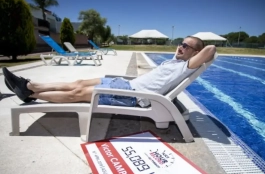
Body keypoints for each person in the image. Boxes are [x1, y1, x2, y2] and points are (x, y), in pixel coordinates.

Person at [3, 36, 216, 107]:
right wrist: (184, 49)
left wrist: (198, 53)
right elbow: (193, 51)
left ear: (195, 53)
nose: (180, 47)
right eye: (180, 43)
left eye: (186, 46)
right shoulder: (175, 61)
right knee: (77, 83)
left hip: (130, 96)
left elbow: (210, 50)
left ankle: (29, 92)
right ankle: (30, 85)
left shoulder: (184, 67)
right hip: (124, 85)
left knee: (76, 95)